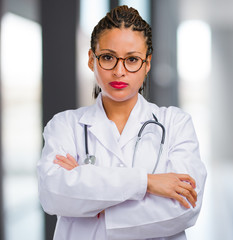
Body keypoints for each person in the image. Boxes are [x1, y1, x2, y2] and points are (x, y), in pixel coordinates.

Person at [37, 5, 207, 240]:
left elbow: (185, 207)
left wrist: (93, 203)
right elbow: (53, 194)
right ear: (91, 59)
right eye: (108, 57)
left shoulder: (175, 123)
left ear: (147, 63)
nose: (119, 71)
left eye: (132, 59)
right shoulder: (64, 126)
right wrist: (146, 183)